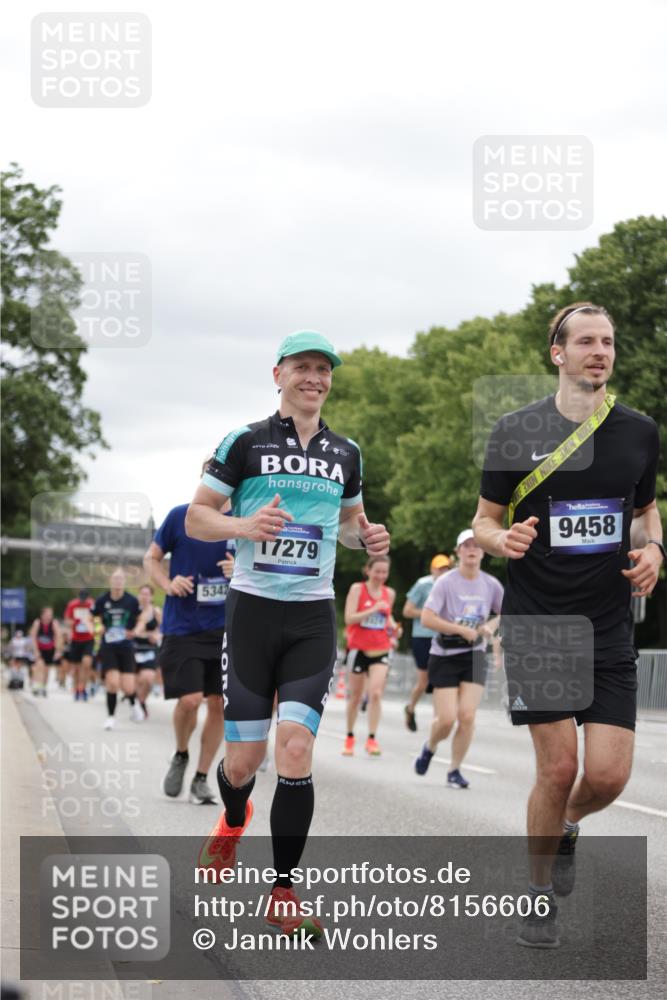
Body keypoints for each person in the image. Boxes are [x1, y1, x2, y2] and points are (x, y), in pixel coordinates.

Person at [186, 330, 390, 938]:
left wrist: (368, 537)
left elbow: (351, 525)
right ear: (277, 374)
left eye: (323, 370)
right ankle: (231, 818)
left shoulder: (346, 452)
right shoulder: (244, 440)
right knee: (244, 763)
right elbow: (198, 518)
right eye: (303, 367)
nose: (315, 378)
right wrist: (246, 525)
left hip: (309, 617)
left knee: (295, 749)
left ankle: (283, 892)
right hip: (251, 613)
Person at [472, 302, 663, 948]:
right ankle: (535, 896)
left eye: (607, 342)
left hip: (607, 625)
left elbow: (645, 511)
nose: (599, 351)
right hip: (538, 624)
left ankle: (569, 828)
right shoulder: (512, 430)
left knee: (606, 777)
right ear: (556, 353)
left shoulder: (637, 431)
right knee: (556, 770)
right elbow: (482, 520)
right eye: (585, 341)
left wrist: (655, 550)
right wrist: (501, 542)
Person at [144, 481, 234, 805]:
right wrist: (168, 583)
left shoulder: (242, 522)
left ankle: (201, 778)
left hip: (227, 630)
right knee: (190, 701)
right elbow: (151, 559)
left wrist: (240, 570)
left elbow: (265, 570)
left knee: (219, 705)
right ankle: (181, 753)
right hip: (184, 627)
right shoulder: (180, 517)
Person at [414, 530, 503, 788]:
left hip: (474, 655)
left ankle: (454, 770)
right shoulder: (445, 583)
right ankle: (430, 747)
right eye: (466, 545)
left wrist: (491, 625)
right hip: (445, 654)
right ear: (458, 552)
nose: (472, 549)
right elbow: (427, 618)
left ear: (484, 551)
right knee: (447, 719)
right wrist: (459, 629)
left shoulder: (491, 585)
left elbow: (507, 613)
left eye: (476, 545)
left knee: (467, 716)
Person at [342, 554, 399, 756]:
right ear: (368, 570)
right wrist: (373, 609)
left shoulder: (389, 593)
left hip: (381, 648)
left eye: (385, 572)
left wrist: (394, 628)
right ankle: (349, 737)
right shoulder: (358, 589)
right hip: (358, 648)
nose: (381, 575)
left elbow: (387, 617)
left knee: (375, 694)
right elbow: (349, 619)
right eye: (377, 571)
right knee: (356, 697)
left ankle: (372, 739)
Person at [402, 554, 452, 731]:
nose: (443, 571)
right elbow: (407, 611)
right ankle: (410, 707)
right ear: (432, 569)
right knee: (424, 681)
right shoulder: (423, 584)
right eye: (440, 568)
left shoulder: (452, 585)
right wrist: (428, 615)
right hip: (422, 637)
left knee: (439, 679)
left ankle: (438, 720)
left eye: (446, 568)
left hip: (442, 636)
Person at [93, 569, 141, 730]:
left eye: (121, 579)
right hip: (109, 647)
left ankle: (134, 704)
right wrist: (97, 627)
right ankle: (110, 717)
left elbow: (141, 618)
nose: (118, 582)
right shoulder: (102, 600)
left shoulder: (132, 601)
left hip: (126, 647)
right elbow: (92, 616)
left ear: (124, 582)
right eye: (115, 579)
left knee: (128, 687)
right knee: (112, 683)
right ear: (110, 581)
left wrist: (135, 631)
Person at [132, 584, 163, 719]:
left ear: (151, 596)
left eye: (147, 594)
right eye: (142, 594)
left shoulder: (156, 611)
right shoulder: (132, 611)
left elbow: (164, 629)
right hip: (133, 648)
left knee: (148, 678)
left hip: (149, 649)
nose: (144, 597)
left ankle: (141, 701)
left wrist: (157, 636)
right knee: (136, 680)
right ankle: (136, 704)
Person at [63, 589, 95, 700]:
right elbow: (67, 620)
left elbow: (97, 618)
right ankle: (77, 689)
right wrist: (76, 621)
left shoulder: (91, 604)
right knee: (76, 667)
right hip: (76, 639)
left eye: (84, 599)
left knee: (86, 664)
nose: (82, 601)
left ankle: (83, 688)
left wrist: (89, 622)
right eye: (81, 599)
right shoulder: (72, 605)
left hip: (88, 639)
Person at [29, 607, 64, 696]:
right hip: (39, 649)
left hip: (50, 649)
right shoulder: (37, 623)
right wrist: (36, 650)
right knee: (39, 666)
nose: (49, 617)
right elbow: (33, 637)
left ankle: (43, 687)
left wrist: (58, 651)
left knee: (46, 669)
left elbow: (59, 636)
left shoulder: (54, 623)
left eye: (50, 615)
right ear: (42, 615)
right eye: (47, 615)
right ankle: (37, 685)